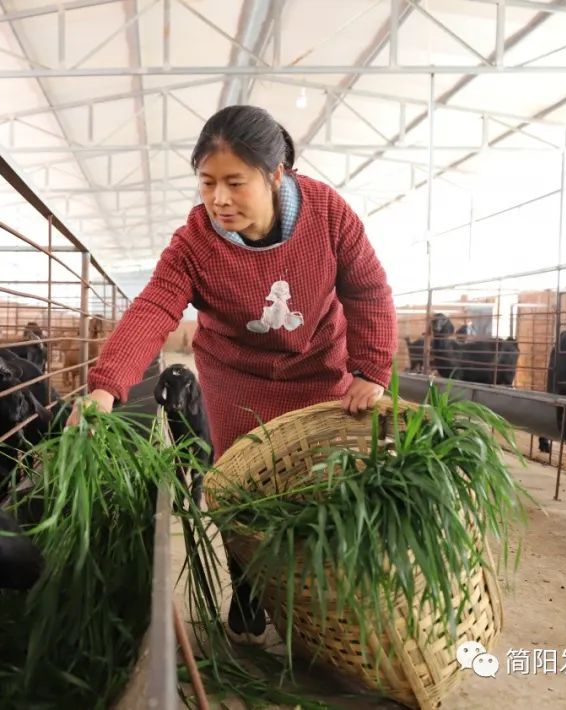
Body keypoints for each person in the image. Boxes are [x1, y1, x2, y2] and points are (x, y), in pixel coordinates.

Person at [66, 105, 398, 642]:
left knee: (319, 483)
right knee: (240, 485)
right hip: (236, 378)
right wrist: (107, 385)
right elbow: (154, 308)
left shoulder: (328, 215)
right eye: (207, 182)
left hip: (318, 370)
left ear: (275, 175)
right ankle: (247, 581)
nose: (219, 199)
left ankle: (315, 596)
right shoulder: (195, 241)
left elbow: (367, 289)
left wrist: (372, 369)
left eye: (235, 183)